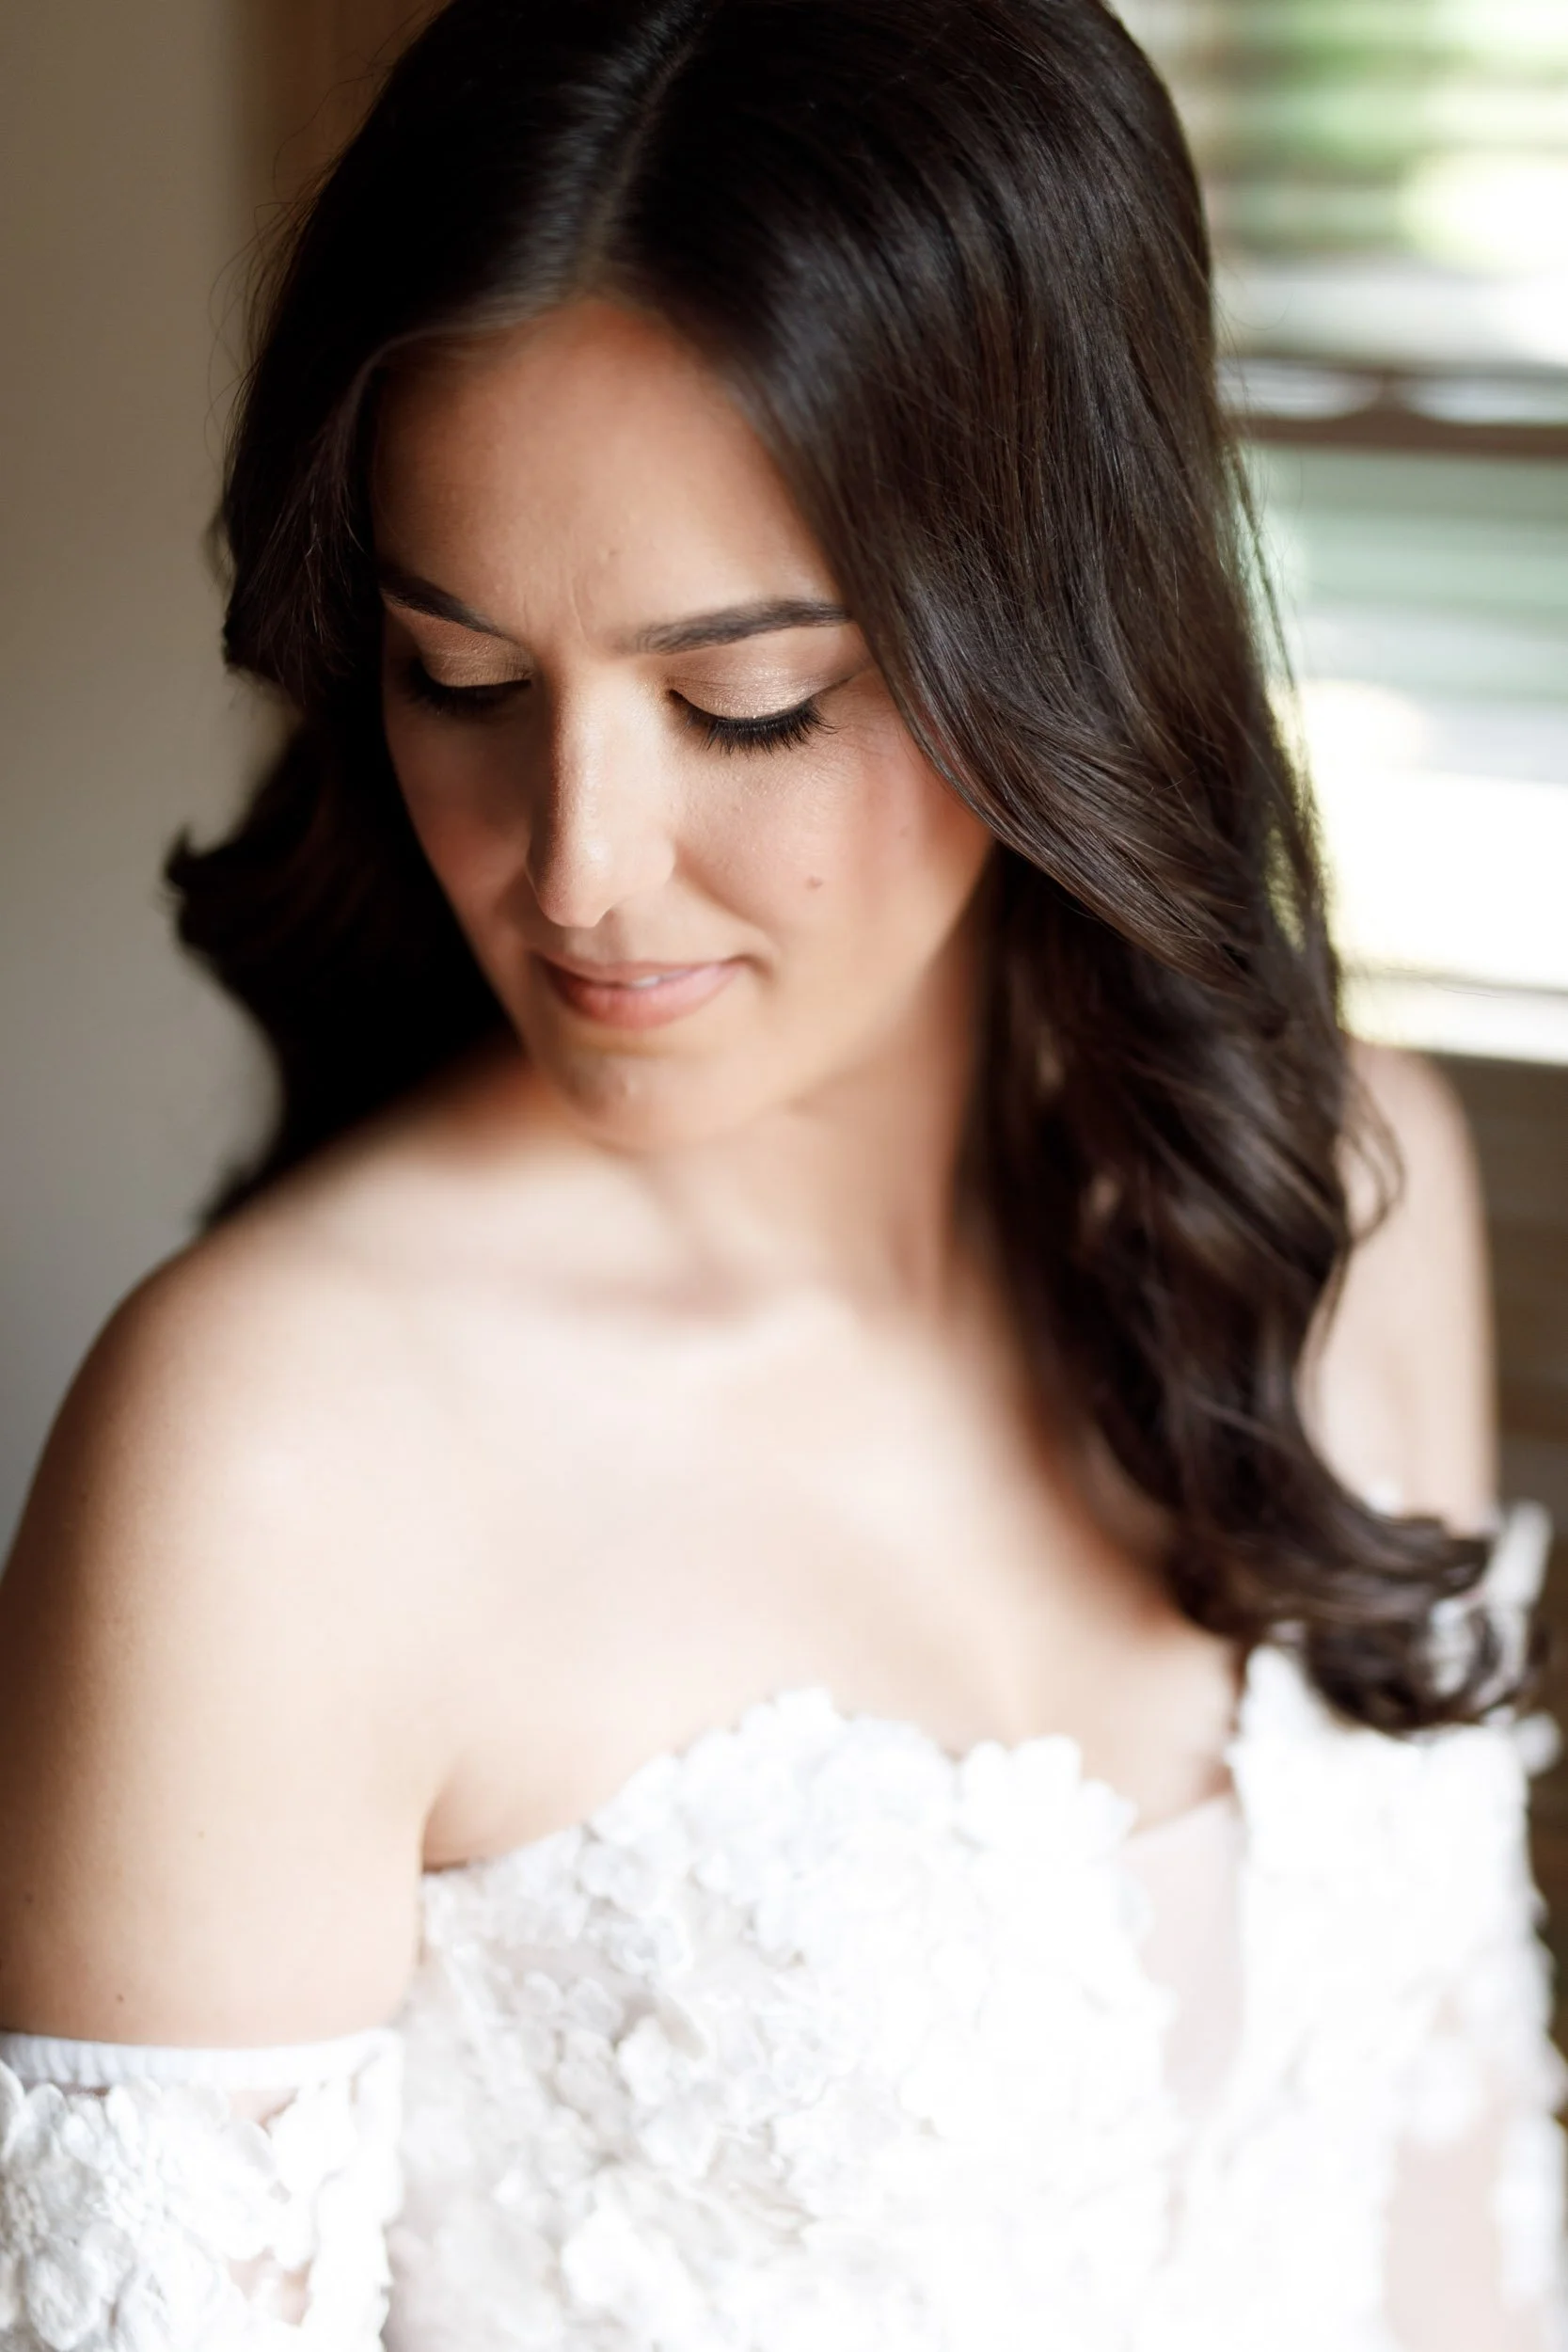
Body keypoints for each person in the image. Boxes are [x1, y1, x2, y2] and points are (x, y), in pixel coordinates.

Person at [0, 0, 1560, 2343]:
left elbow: (1449, 2206)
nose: (579, 868)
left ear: (1050, 626)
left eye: (746, 702)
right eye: (457, 674)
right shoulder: (276, 1466)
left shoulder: (1345, 1204)